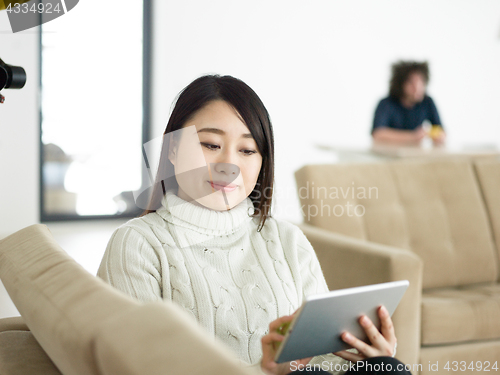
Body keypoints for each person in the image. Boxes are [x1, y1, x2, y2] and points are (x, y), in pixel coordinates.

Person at [97, 75, 412, 375]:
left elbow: (323, 361)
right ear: (174, 150)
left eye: (247, 150)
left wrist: (366, 354)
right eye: (210, 144)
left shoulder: (286, 239)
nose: (229, 166)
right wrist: (263, 370)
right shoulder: (138, 245)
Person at [371, 61, 445, 145]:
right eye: (411, 83)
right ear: (400, 84)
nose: (417, 88)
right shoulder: (386, 104)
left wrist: (437, 136)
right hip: (389, 154)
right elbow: (378, 134)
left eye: (421, 82)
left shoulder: (427, 102)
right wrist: (413, 136)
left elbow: (441, 131)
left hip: (415, 153)